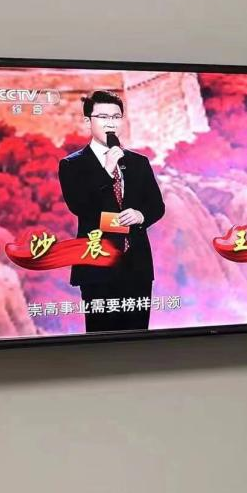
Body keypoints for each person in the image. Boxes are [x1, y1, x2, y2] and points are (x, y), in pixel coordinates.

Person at [58, 90, 165, 332]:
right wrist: (105, 171)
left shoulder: (138, 163)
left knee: (138, 338)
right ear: (88, 121)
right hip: (97, 265)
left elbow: (156, 206)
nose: (111, 123)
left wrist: (141, 216)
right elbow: (79, 206)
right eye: (103, 117)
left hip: (136, 267)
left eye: (116, 117)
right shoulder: (72, 165)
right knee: (101, 339)